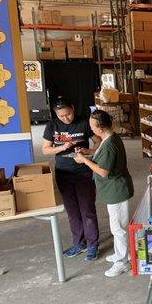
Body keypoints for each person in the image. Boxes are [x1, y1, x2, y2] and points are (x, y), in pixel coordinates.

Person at [74, 110, 134, 277]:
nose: (90, 128)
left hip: (116, 190)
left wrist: (84, 161)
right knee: (118, 225)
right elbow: (101, 155)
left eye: (92, 126)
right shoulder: (110, 137)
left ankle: (122, 262)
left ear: (100, 128)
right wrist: (87, 152)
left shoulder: (109, 144)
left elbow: (103, 171)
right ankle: (122, 253)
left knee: (118, 228)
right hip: (113, 189)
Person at [42, 97, 100, 261]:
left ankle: (93, 244)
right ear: (56, 114)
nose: (65, 118)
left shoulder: (84, 123)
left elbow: (99, 142)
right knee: (72, 211)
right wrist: (61, 147)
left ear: (73, 108)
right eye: (61, 116)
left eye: (68, 114)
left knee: (87, 209)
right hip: (63, 172)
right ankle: (79, 243)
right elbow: (45, 150)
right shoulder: (52, 125)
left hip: (83, 171)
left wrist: (87, 152)